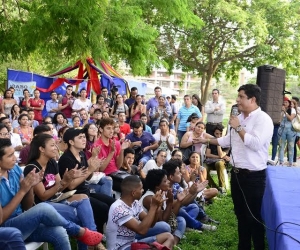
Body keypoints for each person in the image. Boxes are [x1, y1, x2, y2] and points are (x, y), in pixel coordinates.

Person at [199, 84, 273, 250]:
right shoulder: (238, 118)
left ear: (252, 99)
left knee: (253, 217)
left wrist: (238, 127)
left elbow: (254, 144)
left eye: (241, 97)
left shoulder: (263, 120)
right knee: (241, 216)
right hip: (237, 175)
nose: (237, 100)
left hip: (253, 177)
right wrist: (205, 140)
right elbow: (227, 141)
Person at [0, 138, 102, 249]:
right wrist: (23, 190)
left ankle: (83, 234)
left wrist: (30, 187)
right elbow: (1, 219)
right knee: (43, 207)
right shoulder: (32, 167)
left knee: (59, 231)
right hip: (5, 228)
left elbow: (26, 206)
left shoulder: (15, 170)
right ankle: (78, 231)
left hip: (22, 220)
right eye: (10, 156)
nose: (15, 158)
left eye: (14, 154)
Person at [58, 128, 116, 234]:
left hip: (85, 191)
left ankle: (104, 232)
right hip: (73, 195)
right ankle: (95, 235)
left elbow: (88, 178)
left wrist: (93, 166)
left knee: (112, 203)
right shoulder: (66, 159)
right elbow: (70, 186)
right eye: (80, 137)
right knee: (102, 207)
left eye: (84, 137)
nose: (84, 139)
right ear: (71, 142)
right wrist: (90, 169)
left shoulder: (82, 154)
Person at [106, 175, 174, 250]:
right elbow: (142, 231)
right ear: (133, 193)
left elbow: (151, 224)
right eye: (141, 188)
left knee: (169, 237)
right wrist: (153, 207)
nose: (143, 190)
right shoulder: (118, 209)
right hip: (120, 248)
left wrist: (156, 209)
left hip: (133, 242)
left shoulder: (135, 203)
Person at [163, 159, 216, 232]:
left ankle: (188, 225)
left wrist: (196, 192)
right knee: (180, 211)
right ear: (171, 177)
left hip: (175, 213)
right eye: (178, 173)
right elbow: (177, 204)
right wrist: (192, 192)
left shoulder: (175, 185)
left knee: (194, 207)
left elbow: (185, 201)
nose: (181, 174)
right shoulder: (165, 188)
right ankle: (199, 225)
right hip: (168, 216)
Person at [140, 169, 186, 246]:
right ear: (157, 186)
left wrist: (178, 201)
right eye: (165, 181)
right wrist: (170, 202)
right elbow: (163, 220)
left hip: (160, 223)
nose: (168, 182)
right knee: (165, 226)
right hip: (147, 227)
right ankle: (169, 240)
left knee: (181, 220)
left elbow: (171, 216)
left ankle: (174, 242)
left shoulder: (162, 192)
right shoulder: (150, 198)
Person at [205, 124, 230, 194]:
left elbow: (221, 155)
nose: (219, 135)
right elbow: (207, 154)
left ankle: (222, 187)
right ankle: (214, 187)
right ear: (214, 133)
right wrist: (218, 157)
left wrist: (218, 144)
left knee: (219, 163)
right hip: (210, 162)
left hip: (221, 163)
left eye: (220, 134)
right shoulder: (211, 142)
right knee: (203, 169)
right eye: (217, 134)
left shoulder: (226, 143)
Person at [278, 96, 296, 166]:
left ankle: (290, 162)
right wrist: (282, 112)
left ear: (289, 103)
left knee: (291, 146)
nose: (284, 104)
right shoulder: (282, 110)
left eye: (286, 102)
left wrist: (285, 111)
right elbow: (280, 120)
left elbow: (291, 118)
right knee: (281, 146)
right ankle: (281, 162)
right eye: (283, 103)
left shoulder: (292, 110)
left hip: (291, 131)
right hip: (282, 130)